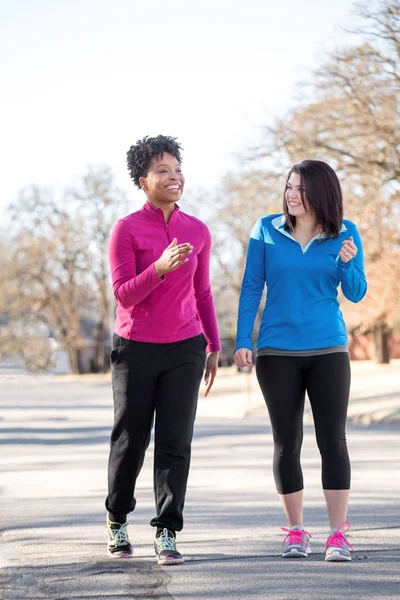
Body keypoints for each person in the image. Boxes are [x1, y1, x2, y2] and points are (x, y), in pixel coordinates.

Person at [234, 160, 367, 562]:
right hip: (276, 352)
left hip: (327, 349)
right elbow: (251, 286)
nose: (291, 195)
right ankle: (295, 532)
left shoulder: (346, 233)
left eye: (300, 189)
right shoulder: (266, 229)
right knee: (286, 442)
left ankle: (337, 535)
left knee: (333, 441)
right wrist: (243, 340)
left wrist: (346, 262)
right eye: (289, 186)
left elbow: (357, 292)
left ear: (321, 194)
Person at [105, 135, 220, 564]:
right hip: (136, 348)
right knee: (130, 440)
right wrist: (158, 268)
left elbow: (203, 292)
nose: (174, 177)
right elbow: (124, 295)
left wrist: (213, 345)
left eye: (177, 169)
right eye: (163, 171)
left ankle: (167, 531)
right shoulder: (127, 229)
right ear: (142, 180)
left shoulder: (198, 230)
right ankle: (117, 518)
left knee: (176, 442)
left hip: (186, 347)